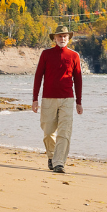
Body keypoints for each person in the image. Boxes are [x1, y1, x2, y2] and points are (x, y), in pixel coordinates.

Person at [31, 25, 84, 173]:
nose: (62, 38)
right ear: (54, 38)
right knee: (48, 132)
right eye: (60, 36)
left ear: (68, 38)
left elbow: (78, 79)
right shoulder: (46, 54)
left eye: (65, 36)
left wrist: (79, 102)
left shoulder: (74, 56)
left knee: (64, 132)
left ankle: (59, 162)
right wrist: (35, 99)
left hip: (67, 99)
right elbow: (38, 76)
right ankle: (51, 156)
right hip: (48, 98)